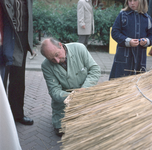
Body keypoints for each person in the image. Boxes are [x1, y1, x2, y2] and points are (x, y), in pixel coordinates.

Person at [41, 38, 101, 136]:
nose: (56, 60)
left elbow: (95, 69)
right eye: (52, 59)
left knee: (89, 128)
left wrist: (84, 89)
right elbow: (54, 91)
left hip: (85, 93)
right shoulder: (46, 65)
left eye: (57, 55)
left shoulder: (79, 48)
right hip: (64, 100)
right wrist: (71, 97)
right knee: (61, 131)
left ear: (60, 45)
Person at [1, 0, 34, 125]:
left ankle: (17, 114)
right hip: (6, 36)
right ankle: (3, 116)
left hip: (22, 37)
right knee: (2, 77)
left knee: (18, 78)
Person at [109, 0, 152, 79]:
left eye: (135, 0)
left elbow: (151, 35)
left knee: (136, 85)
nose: (132, 3)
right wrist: (128, 41)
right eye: (130, 0)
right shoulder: (122, 15)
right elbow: (115, 32)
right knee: (119, 83)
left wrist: (147, 41)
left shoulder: (147, 18)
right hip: (123, 58)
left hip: (140, 59)